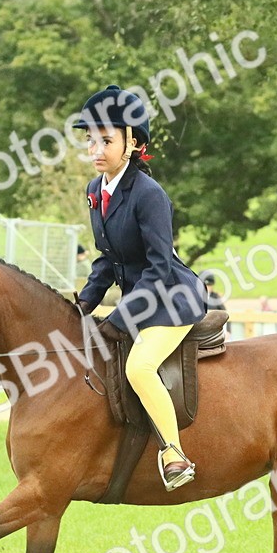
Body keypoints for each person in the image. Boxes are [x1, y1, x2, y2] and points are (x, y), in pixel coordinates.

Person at [72, 85, 207, 491]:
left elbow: (159, 266)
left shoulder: (150, 194)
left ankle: (174, 454)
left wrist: (119, 318)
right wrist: (83, 303)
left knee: (139, 367)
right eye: (90, 140)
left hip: (172, 298)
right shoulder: (96, 192)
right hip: (140, 298)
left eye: (106, 140)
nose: (96, 149)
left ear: (132, 142)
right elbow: (106, 260)